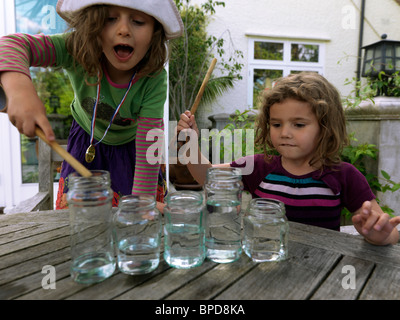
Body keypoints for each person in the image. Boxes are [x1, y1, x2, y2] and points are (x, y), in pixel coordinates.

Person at [0, 0, 183, 211]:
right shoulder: (75, 47)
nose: (123, 30)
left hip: (133, 155)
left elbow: (149, 146)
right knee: (80, 221)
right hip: (84, 143)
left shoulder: (154, 78)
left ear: (155, 33)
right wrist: (19, 90)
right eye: (110, 19)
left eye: (138, 21)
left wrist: (143, 205)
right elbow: (11, 44)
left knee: (133, 218)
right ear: (93, 24)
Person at [178, 72, 400, 245]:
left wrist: (378, 234)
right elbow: (207, 176)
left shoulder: (344, 175)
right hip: (265, 260)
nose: (284, 132)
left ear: (326, 127)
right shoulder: (258, 167)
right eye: (276, 124)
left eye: (299, 124)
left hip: (321, 271)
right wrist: (189, 143)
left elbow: (385, 232)